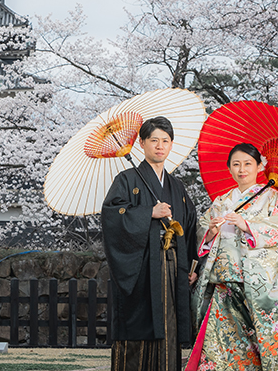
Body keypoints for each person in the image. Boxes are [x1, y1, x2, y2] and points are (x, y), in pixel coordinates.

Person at [187, 143, 278, 371]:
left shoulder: (271, 198)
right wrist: (210, 233)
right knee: (219, 347)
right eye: (236, 164)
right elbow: (202, 232)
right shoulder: (221, 201)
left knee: (260, 344)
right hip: (223, 283)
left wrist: (248, 225)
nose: (242, 169)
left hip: (255, 284)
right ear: (229, 169)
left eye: (248, 164)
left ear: (260, 167)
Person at [102, 116, 200, 371]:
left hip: (172, 265)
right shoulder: (126, 180)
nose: (159, 146)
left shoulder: (177, 186)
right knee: (139, 325)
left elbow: (189, 226)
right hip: (141, 266)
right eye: (154, 140)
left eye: (165, 141)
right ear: (142, 143)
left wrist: (191, 266)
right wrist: (148, 212)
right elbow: (112, 217)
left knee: (168, 325)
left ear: (171, 145)